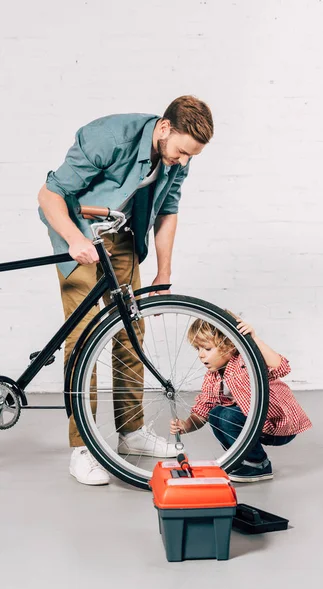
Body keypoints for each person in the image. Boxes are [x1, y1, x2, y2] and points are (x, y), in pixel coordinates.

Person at [38, 96, 214, 486]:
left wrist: (163, 272)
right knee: (84, 336)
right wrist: (73, 240)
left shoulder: (176, 158)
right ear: (165, 128)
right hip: (79, 235)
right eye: (182, 152)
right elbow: (49, 195)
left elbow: (167, 210)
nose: (183, 162)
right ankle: (82, 446)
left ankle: (131, 431)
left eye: (191, 157)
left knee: (132, 331)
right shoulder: (110, 136)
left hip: (120, 239)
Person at [170, 315, 312, 483]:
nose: (201, 355)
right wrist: (186, 425)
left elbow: (280, 366)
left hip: (277, 423)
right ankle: (241, 460)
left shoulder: (246, 360)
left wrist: (253, 339)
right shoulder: (212, 377)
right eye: (198, 349)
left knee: (227, 416)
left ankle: (258, 465)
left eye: (207, 349)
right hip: (252, 425)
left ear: (229, 345)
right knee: (216, 414)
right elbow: (203, 410)